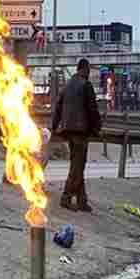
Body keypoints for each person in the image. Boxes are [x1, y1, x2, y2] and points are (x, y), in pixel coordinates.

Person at [51, 58, 101, 212]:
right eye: (88, 70)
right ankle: (66, 197)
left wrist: (54, 126)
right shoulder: (86, 85)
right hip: (80, 131)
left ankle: (81, 200)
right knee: (78, 167)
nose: (89, 73)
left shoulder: (67, 85)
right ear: (84, 69)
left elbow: (58, 107)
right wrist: (96, 128)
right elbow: (92, 109)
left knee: (77, 164)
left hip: (68, 130)